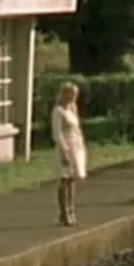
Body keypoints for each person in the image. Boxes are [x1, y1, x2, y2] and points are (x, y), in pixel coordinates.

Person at [51, 81, 87, 226]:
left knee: (72, 179)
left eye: (75, 95)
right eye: (71, 94)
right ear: (64, 94)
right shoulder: (58, 111)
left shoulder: (72, 109)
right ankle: (63, 212)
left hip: (75, 146)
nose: (73, 97)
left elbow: (77, 129)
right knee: (64, 179)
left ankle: (71, 210)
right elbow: (57, 132)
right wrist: (64, 150)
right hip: (65, 146)